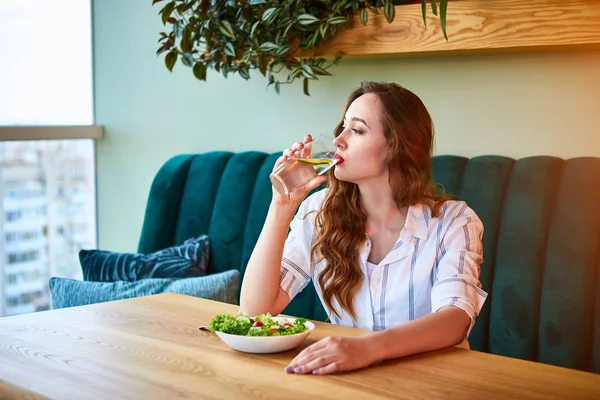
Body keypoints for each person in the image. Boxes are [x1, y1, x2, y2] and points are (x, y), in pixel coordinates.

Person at [240, 81, 487, 375]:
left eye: (356, 130)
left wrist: (367, 348)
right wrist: (281, 206)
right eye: (342, 128)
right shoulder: (319, 213)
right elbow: (257, 309)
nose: (338, 141)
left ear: (396, 147)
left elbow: (455, 319)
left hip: (434, 383)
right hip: (353, 382)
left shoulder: (453, 221)